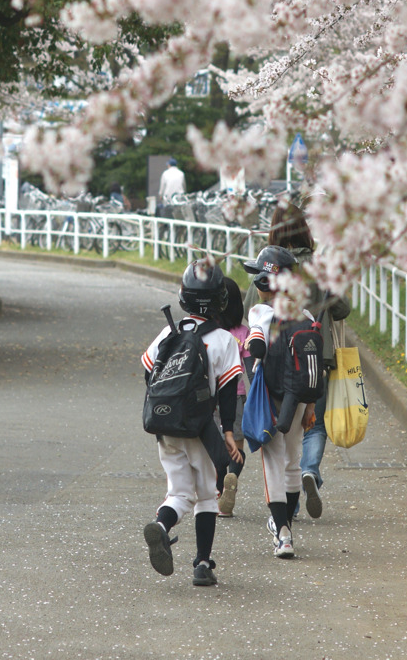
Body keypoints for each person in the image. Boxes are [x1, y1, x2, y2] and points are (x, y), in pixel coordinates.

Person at [243, 202, 350, 520]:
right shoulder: (320, 265)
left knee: (281, 427)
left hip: (276, 360)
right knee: (315, 421)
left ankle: (284, 501)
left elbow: (250, 306)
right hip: (318, 354)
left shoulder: (267, 264)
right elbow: (342, 308)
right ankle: (309, 471)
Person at [141, 261, 242, 586]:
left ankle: (161, 524)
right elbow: (228, 393)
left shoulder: (169, 331)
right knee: (207, 496)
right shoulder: (224, 340)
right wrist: (227, 432)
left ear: (184, 297)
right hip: (200, 428)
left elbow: (149, 374)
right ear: (220, 301)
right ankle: (202, 563)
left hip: (165, 427)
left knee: (179, 492)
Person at [244, 245, 318, 559]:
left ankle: (283, 533)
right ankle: (286, 525)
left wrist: (252, 340)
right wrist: (311, 407)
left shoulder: (261, 311)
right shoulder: (306, 314)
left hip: (271, 396)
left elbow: (257, 345)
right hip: (300, 399)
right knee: (292, 461)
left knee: (273, 463)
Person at [215, 276, 250, 517]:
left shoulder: (211, 332)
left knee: (215, 449)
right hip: (236, 397)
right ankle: (232, 477)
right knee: (236, 447)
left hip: (210, 397)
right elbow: (251, 369)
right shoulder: (243, 332)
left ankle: (219, 495)